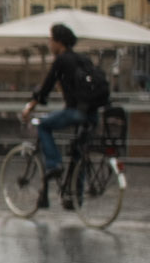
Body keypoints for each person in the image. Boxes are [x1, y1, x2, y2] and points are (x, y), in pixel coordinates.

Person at [19, 24, 108, 191]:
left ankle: (54, 164)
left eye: (51, 40)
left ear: (59, 42)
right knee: (78, 154)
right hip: (92, 113)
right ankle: (74, 196)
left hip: (76, 112)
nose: (49, 43)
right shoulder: (83, 59)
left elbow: (46, 87)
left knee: (44, 126)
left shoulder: (62, 60)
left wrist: (30, 106)